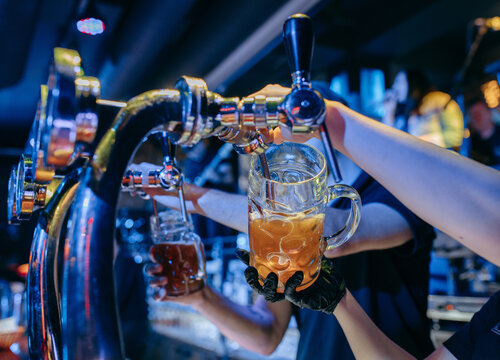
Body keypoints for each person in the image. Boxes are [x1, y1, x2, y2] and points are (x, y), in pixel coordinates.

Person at [140, 86, 437, 358]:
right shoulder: (287, 227)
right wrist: (201, 298)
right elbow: (266, 335)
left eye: (278, 128)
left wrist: (195, 199)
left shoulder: (394, 189)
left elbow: (336, 235)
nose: (272, 140)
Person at [383, 69, 464, 150]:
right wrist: (389, 112)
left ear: (413, 83)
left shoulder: (440, 100)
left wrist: (421, 142)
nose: (394, 86)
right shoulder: (407, 109)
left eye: (398, 81)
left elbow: (455, 137)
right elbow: (392, 141)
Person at [467, 96, 500, 168]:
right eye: (474, 115)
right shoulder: (470, 145)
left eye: (480, 113)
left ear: (489, 113)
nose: (478, 117)